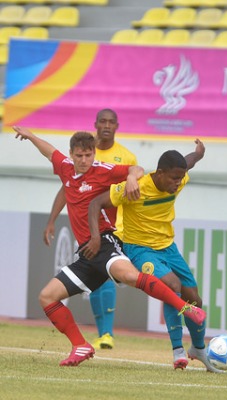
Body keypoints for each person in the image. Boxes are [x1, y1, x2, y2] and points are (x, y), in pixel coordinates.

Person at [13, 126, 206, 367]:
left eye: (89, 155)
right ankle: (80, 345)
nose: (84, 160)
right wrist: (31, 136)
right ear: (71, 155)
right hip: (87, 252)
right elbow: (49, 150)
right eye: (80, 156)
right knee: (47, 297)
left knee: (131, 276)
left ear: (94, 154)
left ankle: (185, 308)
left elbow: (136, 169)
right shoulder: (65, 169)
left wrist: (132, 179)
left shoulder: (103, 171)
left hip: (104, 241)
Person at [88, 140, 221, 373]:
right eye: (173, 178)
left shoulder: (178, 179)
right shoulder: (135, 188)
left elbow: (188, 162)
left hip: (168, 248)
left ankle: (198, 349)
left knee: (194, 299)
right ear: (159, 173)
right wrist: (95, 237)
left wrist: (199, 154)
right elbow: (95, 203)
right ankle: (178, 350)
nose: (178, 182)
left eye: (180, 178)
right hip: (139, 249)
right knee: (172, 285)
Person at [43, 109, 136, 351]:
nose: (106, 125)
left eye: (110, 122)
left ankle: (106, 333)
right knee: (97, 281)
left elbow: (136, 182)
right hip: (89, 231)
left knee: (116, 276)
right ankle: (104, 334)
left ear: (117, 125)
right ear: (95, 125)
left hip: (117, 229)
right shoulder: (79, 157)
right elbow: (67, 187)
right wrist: (52, 219)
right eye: (102, 121)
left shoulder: (125, 156)